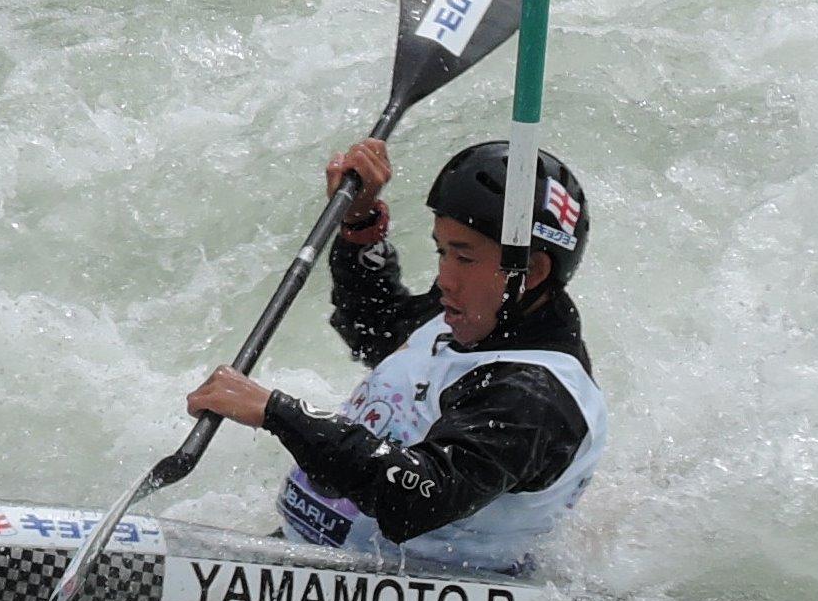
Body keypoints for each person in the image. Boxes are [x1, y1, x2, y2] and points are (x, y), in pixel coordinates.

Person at [184, 139, 608, 574]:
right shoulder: (481, 316)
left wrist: (278, 413)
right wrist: (360, 224)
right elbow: (374, 330)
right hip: (314, 572)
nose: (444, 278)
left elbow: (417, 498)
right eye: (442, 251)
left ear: (532, 270)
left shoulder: (533, 397)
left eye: (463, 257)